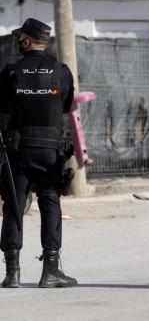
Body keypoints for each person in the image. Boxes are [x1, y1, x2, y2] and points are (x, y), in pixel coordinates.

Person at [0, 18, 77, 288]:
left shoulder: (10, 72)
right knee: (50, 202)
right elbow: (66, 105)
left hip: (18, 152)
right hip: (50, 151)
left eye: (20, 38)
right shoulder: (61, 72)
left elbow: (2, 109)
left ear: (26, 40)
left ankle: (12, 273)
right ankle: (50, 271)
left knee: (14, 206)